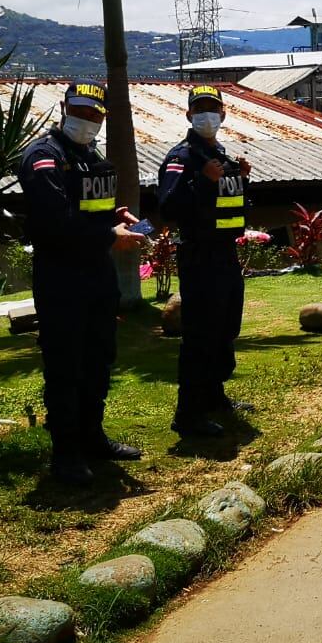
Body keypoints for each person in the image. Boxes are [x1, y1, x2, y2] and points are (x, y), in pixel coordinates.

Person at [19, 79, 147, 485]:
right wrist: (109, 236)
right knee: (65, 365)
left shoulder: (91, 156)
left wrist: (115, 217)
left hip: (97, 274)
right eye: (80, 111)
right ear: (64, 109)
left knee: (98, 359)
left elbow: (87, 208)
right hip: (62, 276)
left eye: (95, 114)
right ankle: (66, 455)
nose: (87, 119)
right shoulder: (44, 156)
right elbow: (55, 221)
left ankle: (93, 438)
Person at [157, 85, 256, 436]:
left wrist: (241, 179)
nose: (207, 115)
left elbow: (231, 206)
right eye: (200, 109)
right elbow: (168, 207)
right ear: (189, 115)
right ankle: (188, 414)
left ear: (224, 114)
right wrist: (201, 180)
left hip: (225, 252)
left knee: (226, 328)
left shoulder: (222, 156)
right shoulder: (181, 158)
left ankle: (214, 395)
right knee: (200, 334)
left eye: (212, 108)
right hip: (199, 255)